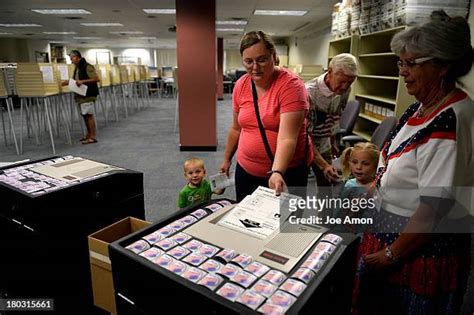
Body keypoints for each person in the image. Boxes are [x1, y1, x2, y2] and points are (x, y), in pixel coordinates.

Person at [352, 10, 473, 314]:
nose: (402, 72)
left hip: (417, 253)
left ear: (442, 66)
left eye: (411, 64)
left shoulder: (450, 120)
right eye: (400, 63)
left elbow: (434, 207)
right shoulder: (420, 108)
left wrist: (391, 254)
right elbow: (396, 162)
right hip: (389, 229)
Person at [219, 31, 313, 202]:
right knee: (244, 221)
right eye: (248, 61)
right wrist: (227, 159)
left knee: (284, 225)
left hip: (285, 172)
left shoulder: (291, 86)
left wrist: (277, 171)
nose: (255, 67)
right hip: (246, 170)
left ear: (273, 56)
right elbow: (236, 128)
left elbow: (287, 138)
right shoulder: (241, 85)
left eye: (262, 59)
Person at [305, 53, 358, 194]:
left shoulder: (345, 89)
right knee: (298, 192)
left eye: (350, 83)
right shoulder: (308, 93)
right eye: (341, 81)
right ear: (329, 72)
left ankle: (325, 217)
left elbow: (336, 116)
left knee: (326, 188)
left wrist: (333, 140)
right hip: (303, 145)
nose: (345, 87)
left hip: (323, 142)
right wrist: (323, 165)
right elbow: (305, 136)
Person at [332, 142, 379, 234]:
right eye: (354, 162)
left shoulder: (377, 188)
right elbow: (339, 212)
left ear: (375, 165)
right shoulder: (349, 184)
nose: (358, 167)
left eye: (365, 164)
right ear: (349, 162)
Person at [62, 50, 99, 144]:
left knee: (88, 115)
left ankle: (93, 136)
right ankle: (88, 135)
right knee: (85, 115)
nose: (71, 61)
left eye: (72, 58)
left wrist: (83, 81)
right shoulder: (78, 67)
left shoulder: (87, 66)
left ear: (76, 57)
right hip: (81, 94)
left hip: (88, 94)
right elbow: (77, 80)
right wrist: (69, 82)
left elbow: (96, 79)